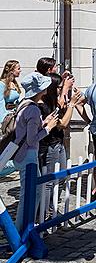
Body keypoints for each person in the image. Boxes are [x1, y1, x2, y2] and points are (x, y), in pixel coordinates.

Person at [13, 72, 58, 231]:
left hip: (22, 154)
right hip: (28, 155)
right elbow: (32, 139)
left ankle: (24, 229)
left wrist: (43, 123)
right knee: (30, 194)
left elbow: (25, 130)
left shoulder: (24, 104)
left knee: (32, 192)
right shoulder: (33, 110)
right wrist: (48, 128)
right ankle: (22, 231)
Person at [38, 73, 83, 216]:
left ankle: (50, 207)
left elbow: (61, 106)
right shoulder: (44, 106)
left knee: (62, 176)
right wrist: (71, 104)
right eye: (58, 87)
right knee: (49, 181)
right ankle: (45, 212)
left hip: (58, 142)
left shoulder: (52, 102)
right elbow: (63, 124)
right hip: (49, 144)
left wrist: (66, 89)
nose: (60, 90)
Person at [0, 60, 22, 125]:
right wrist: (3, 119)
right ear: (11, 71)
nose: (20, 71)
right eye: (18, 69)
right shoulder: (1, 84)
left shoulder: (14, 83)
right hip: (6, 118)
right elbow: (0, 102)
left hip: (14, 115)